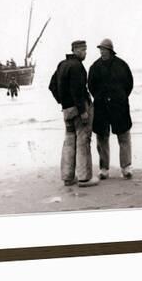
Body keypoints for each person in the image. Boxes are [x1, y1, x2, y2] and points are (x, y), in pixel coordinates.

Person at [88, 38, 134, 179]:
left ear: (110, 51)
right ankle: (104, 169)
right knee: (102, 137)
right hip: (101, 106)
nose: (102, 52)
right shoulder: (94, 67)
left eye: (104, 49)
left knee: (124, 135)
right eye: (100, 49)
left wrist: (120, 97)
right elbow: (91, 87)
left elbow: (129, 84)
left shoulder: (122, 65)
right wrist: (100, 97)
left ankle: (126, 168)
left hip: (119, 106)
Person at [55, 40, 98, 187]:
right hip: (79, 109)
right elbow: (77, 90)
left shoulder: (62, 65)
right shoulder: (77, 66)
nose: (85, 53)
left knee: (69, 141)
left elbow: (52, 86)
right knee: (83, 141)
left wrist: (62, 102)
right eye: (84, 50)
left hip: (66, 110)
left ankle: (67, 177)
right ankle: (85, 178)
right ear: (76, 50)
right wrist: (83, 111)